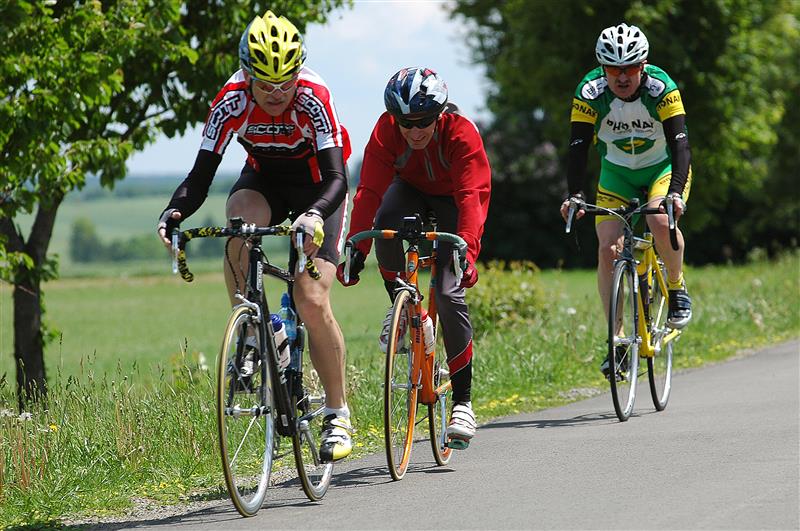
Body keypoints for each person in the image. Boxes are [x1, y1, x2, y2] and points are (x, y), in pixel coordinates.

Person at [157, 10, 353, 462]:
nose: (278, 93)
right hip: (265, 180)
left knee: (311, 299)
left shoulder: (314, 96)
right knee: (239, 224)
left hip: (320, 189)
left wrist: (314, 215)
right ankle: (250, 329)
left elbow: (337, 179)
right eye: (266, 85)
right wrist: (173, 212)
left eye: (286, 82)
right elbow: (200, 176)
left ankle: (337, 413)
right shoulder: (230, 101)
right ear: (247, 77)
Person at [337, 67, 491, 448]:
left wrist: (467, 251)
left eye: (423, 122)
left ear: (439, 114)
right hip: (410, 191)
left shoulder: (460, 133)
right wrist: (357, 247)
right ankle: (405, 308)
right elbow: (369, 191)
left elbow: (471, 197)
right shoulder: (386, 131)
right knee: (386, 222)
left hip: (455, 199)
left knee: (449, 292)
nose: (415, 131)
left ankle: (463, 403)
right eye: (406, 123)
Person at [560, 23, 693, 376]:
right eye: (613, 68)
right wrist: (575, 194)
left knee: (658, 219)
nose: (622, 77)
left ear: (643, 65)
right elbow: (577, 148)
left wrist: (675, 191)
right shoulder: (589, 92)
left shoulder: (661, 87)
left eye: (630, 68)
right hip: (617, 173)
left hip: (662, 168)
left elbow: (680, 143)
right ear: (602, 68)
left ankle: (676, 286)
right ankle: (616, 340)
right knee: (608, 249)